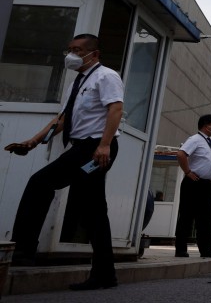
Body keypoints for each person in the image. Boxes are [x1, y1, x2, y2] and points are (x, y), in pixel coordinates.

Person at [4, 34, 124, 290]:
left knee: (41, 183)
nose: (72, 54)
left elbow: (116, 109)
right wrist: (33, 142)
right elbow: (62, 119)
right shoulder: (78, 83)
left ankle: (24, 251)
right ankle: (105, 274)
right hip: (83, 147)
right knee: (92, 209)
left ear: (94, 54)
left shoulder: (107, 76)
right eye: (70, 49)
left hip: (96, 148)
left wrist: (104, 145)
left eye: (78, 50)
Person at [174, 114, 211, 258]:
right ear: (206, 125)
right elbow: (181, 154)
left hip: (207, 184)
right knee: (186, 216)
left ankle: (206, 249)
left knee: (205, 218)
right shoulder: (194, 139)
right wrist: (187, 172)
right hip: (194, 182)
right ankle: (181, 249)